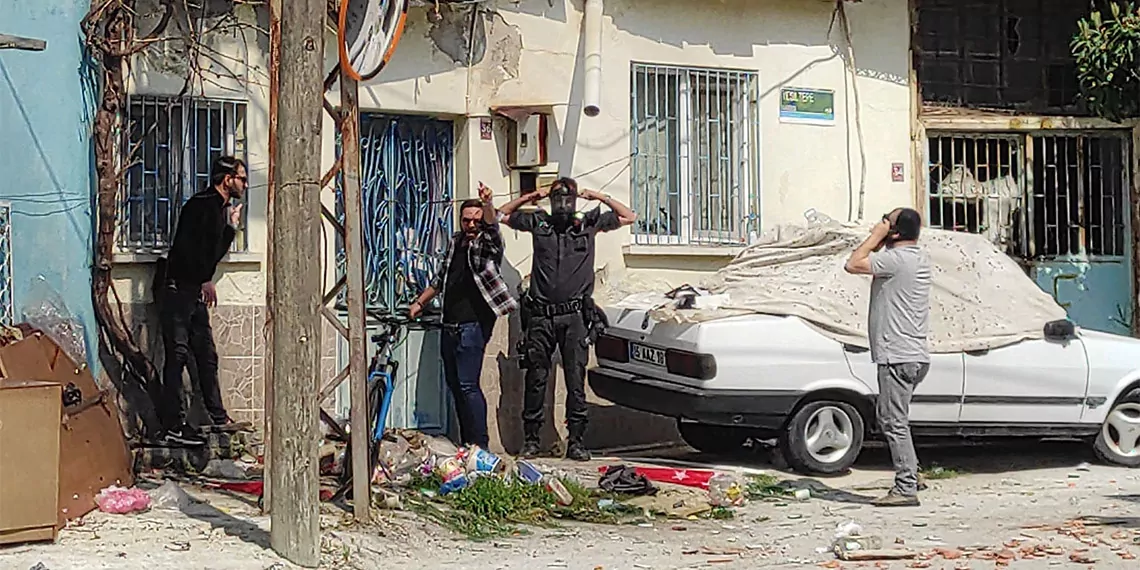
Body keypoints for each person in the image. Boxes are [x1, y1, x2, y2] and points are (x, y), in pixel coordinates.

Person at [497, 177, 637, 461]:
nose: (562, 205)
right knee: (536, 379)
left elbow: (629, 216)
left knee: (575, 379)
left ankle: (576, 441)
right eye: (557, 199)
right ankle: (532, 440)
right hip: (541, 317)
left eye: (567, 199)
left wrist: (598, 195)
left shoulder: (588, 224)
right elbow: (501, 215)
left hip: (574, 317)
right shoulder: (539, 223)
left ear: (575, 202)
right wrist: (532, 195)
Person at [409, 184, 516, 450]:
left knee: (469, 385)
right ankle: (465, 444)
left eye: (475, 220)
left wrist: (488, 204)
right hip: (450, 323)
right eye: (466, 220)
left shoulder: (486, 244)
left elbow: (493, 231)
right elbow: (440, 279)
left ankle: (480, 445)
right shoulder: (456, 241)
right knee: (455, 386)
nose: (471, 225)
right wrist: (419, 303)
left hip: (474, 324)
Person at [844, 207, 932, 507]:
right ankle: (913, 473)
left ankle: (906, 487)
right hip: (913, 355)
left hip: (897, 356)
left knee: (892, 421)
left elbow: (853, 264)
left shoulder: (895, 260)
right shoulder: (916, 258)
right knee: (894, 418)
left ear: (894, 232)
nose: (879, 224)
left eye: (886, 221)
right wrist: (885, 235)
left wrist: (875, 236)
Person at [157, 155, 247, 447]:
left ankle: (218, 417)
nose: (245, 184)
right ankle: (172, 424)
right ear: (226, 179)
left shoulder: (218, 209)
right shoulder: (203, 206)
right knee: (178, 355)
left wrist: (229, 228)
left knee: (206, 356)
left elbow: (208, 255)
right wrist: (229, 231)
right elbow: (190, 252)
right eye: (241, 179)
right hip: (177, 289)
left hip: (192, 288)